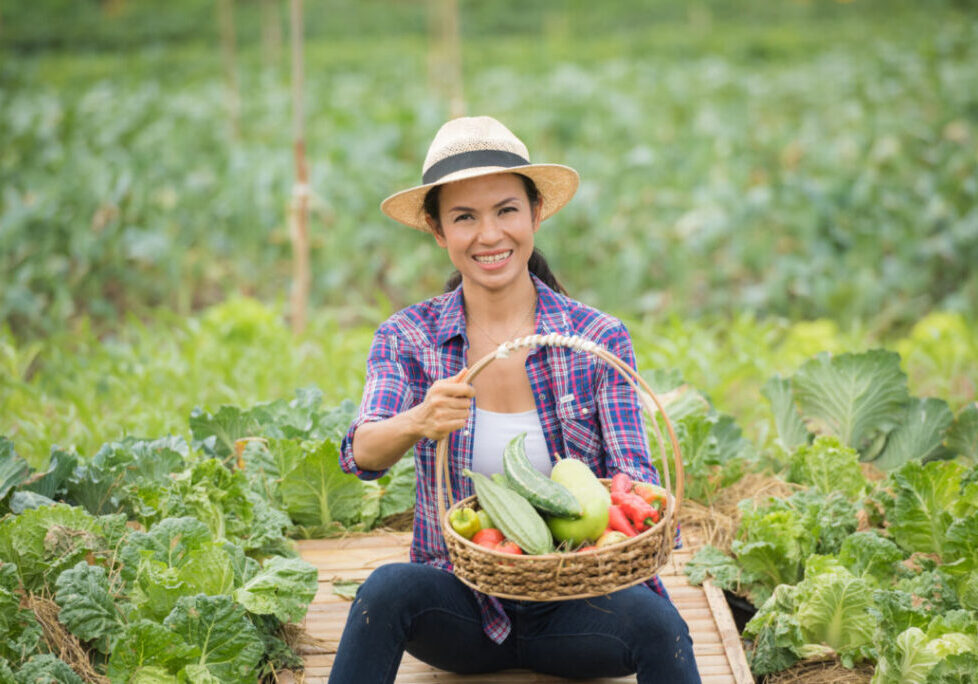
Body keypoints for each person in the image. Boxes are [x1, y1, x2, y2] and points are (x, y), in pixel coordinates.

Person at [330, 116, 699, 683]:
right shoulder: (409, 337)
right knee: (386, 590)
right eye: (464, 218)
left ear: (536, 214)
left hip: (581, 606)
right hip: (464, 607)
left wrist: (598, 545)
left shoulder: (596, 339)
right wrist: (418, 420)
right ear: (437, 230)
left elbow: (635, 476)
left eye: (506, 210)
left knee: (662, 628)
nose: (489, 235)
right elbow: (362, 454)